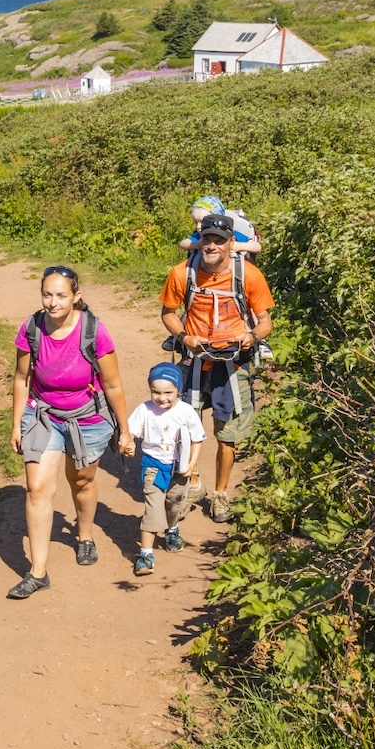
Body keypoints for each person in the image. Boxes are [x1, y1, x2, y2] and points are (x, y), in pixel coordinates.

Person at [6, 265, 134, 598]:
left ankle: (85, 535)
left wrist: (125, 430)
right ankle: (37, 572)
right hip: (43, 415)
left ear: (76, 297)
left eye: (61, 295)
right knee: (36, 488)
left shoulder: (94, 331)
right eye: (47, 294)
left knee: (81, 480)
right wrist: (16, 422)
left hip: (86, 418)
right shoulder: (32, 328)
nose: (53, 302)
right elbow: (22, 379)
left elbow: (113, 383)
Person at [160, 213, 274, 523]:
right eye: (207, 239)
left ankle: (220, 494)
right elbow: (168, 313)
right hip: (193, 361)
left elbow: (265, 323)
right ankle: (192, 482)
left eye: (219, 240)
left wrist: (249, 337)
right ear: (200, 241)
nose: (212, 246)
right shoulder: (181, 273)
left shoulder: (249, 275)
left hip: (232, 365)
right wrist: (184, 336)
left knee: (228, 435)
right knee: (186, 427)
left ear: (231, 243)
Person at [127, 362, 206, 576]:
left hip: (180, 469)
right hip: (153, 466)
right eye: (156, 392)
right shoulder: (144, 410)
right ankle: (145, 554)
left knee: (174, 504)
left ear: (178, 389)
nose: (162, 398)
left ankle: (172, 528)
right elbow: (130, 432)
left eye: (168, 392)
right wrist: (128, 443)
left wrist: (191, 464)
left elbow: (198, 439)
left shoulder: (187, 411)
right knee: (152, 510)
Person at [178, 195, 261, 255]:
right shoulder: (200, 236)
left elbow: (257, 246)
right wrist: (198, 244)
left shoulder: (231, 234)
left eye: (202, 222)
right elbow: (183, 244)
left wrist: (239, 246)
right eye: (196, 222)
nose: (198, 227)